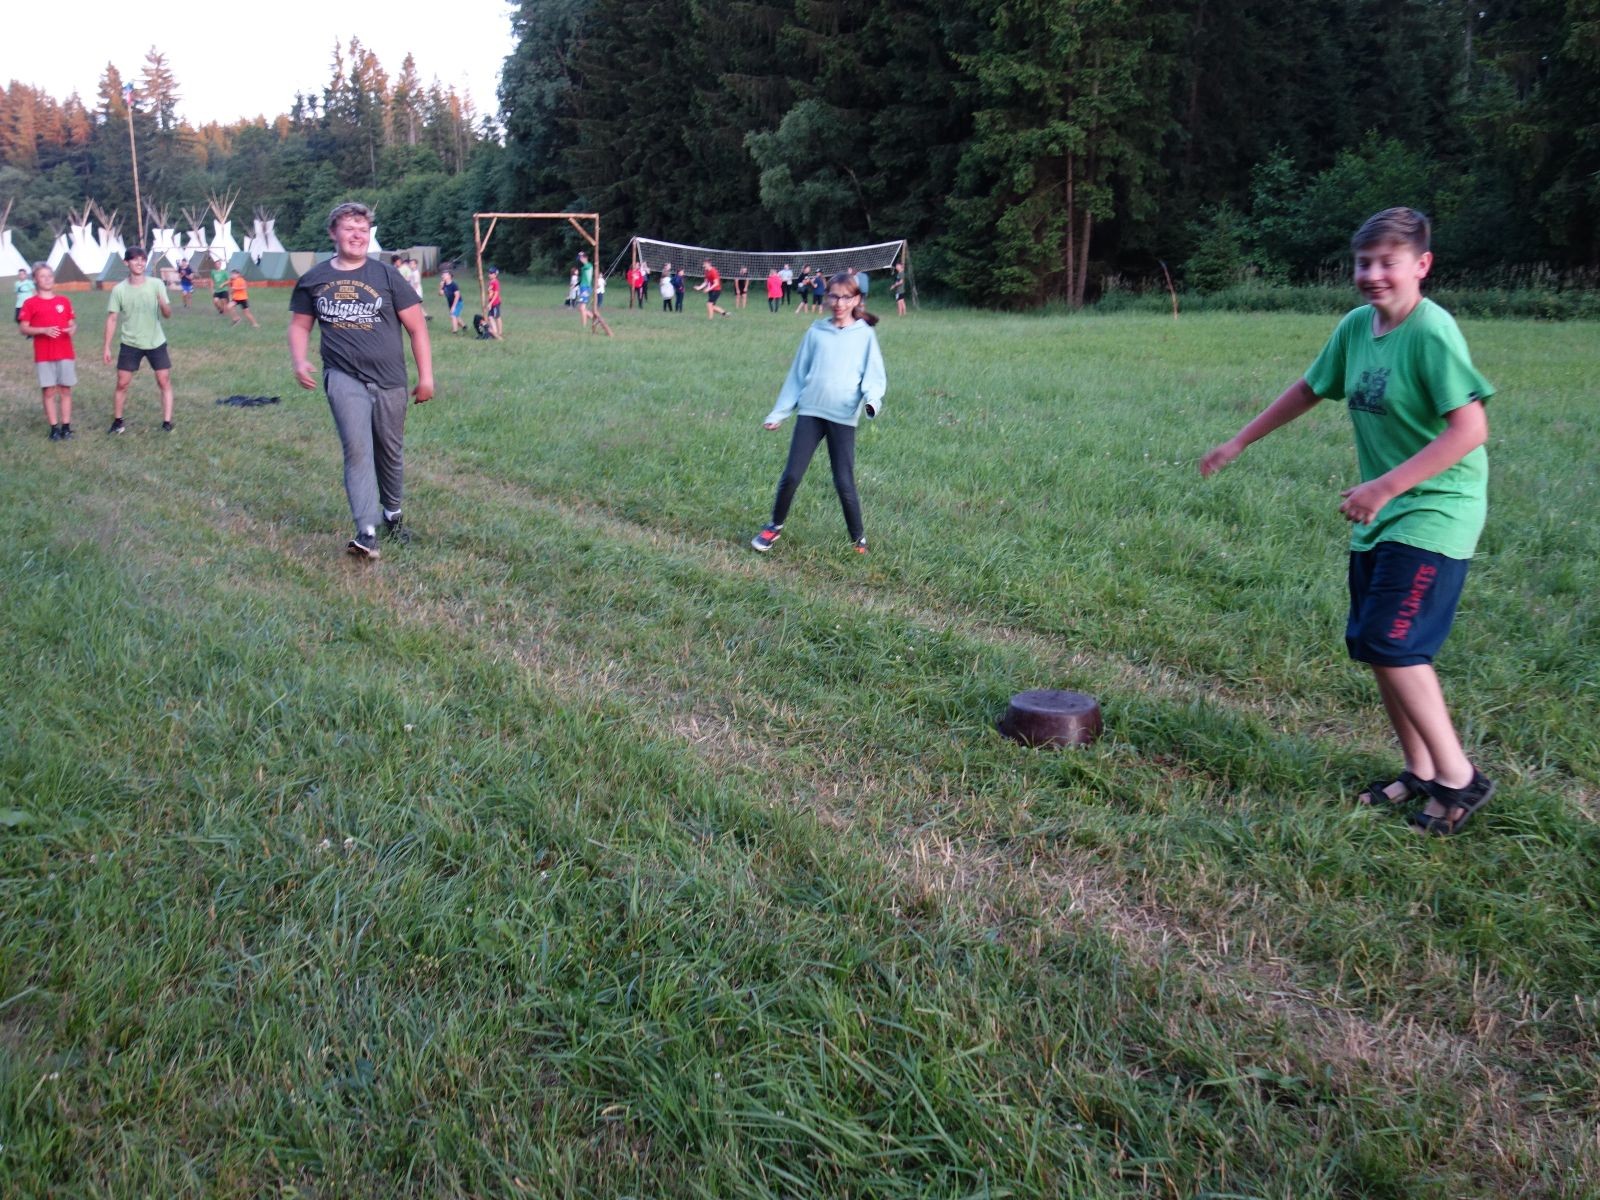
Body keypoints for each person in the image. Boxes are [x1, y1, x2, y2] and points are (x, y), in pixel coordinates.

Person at [1200, 207, 1496, 837]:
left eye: (1389, 262)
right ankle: (1419, 769)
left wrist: (1385, 486)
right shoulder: (1357, 327)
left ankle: (1459, 779)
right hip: (1385, 511)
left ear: (1421, 265)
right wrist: (1239, 441)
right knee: (1373, 644)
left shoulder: (1432, 331)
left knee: (1394, 642)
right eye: (1364, 262)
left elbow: (1470, 429)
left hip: (1436, 509)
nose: (1372, 274)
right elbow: (1311, 388)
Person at [289, 200, 434, 561]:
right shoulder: (314, 279)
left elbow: (417, 328)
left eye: (363, 230)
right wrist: (300, 359)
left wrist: (426, 377)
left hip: (390, 379)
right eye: (349, 228)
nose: (357, 235)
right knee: (357, 449)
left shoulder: (387, 276)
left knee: (389, 450)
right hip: (343, 376)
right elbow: (300, 325)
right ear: (333, 233)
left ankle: (392, 515)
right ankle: (366, 532)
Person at [750, 271, 885, 556]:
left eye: (846, 297)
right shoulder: (816, 332)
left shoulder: (865, 335)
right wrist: (779, 413)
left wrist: (872, 401)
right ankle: (774, 526)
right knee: (792, 475)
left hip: (842, 417)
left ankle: (858, 539)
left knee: (844, 481)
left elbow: (873, 376)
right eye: (834, 296)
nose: (839, 303)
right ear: (826, 298)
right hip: (810, 413)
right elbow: (797, 376)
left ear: (856, 300)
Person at [103, 247, 175, 434]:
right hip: (130, 343)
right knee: (122, 383)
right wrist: (107, 347)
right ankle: (118, 422)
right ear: (126, 263)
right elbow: (112, 319)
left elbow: (168, 314)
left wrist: (163, 304)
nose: (140, 263)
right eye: (135, 259)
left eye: (143, 259)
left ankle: (167, 422)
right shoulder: (119, 290)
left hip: (155, 341)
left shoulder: (156, 284)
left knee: (164, 380)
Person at [18, 262, 76, 440]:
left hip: (65, 352)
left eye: (50, 276)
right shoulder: (30, 303)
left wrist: (72, 328)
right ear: (35, 280)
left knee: (65, 389)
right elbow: (24, 328)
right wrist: (43, 330)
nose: (47, 279)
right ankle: (54, 428)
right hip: (44, 354)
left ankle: (66, 427)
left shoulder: (63, 301)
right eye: (42, 276)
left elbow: (72, 323)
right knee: (49, 391)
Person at [439, 268, 464, 333]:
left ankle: (455, 331)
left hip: (458, 302)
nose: (443, 276)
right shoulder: (444, 284)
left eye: (445, 275)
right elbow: (440, 294)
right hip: (450, 303)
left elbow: (457, 295)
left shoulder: (454, 285)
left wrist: (453, 306)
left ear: (449, 276)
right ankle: (464, 326)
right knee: (456, 316)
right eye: (442, 275)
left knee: (453, 315)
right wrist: (441, 286)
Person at [486, 266, 503, 339]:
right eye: (489, 273)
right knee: (490, 317)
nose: (489, 274)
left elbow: (496, 294)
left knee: (497, 317)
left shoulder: (496, 282)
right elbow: (490, 293)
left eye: (491, 273)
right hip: (491, 303)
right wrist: (488, 302)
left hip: (495, 303)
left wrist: (491, 303)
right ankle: (495, 331)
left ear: (495, 274)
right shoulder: (490, 282)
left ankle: (499, 332)